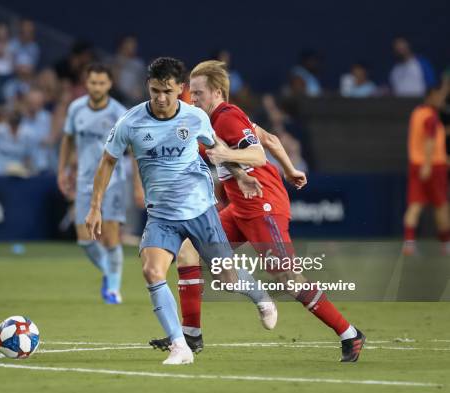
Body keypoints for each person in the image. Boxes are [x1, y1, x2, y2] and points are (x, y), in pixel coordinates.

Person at [149, 60, 366, 362]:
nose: (193, 98)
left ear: (216, 91)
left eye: (198, 93)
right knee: (190, 252)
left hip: (263, 206)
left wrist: (227, 154)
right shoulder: (214, 119)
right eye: (191, 93)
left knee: (289, 278)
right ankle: (191, 336)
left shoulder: (226, 117)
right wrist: (290, 169)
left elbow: (258, 154)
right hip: (241, 206)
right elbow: (270, 139)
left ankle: (349, 334)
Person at [85, 57, 276, 365]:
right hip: (161, 216)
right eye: (155, 90)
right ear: (148, 86)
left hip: (200, 210)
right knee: (152, 270)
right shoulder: (130, 122)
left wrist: (239, 174)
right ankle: (180, 345)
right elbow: (108, 161)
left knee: (227, 278)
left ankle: (260, 296)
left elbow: (217, 151)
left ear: (181, 90)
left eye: (168, 91)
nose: (161, 98)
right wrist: (95, 208)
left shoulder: (196, 118)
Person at [57, 63, 135, 304]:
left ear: (109, 84)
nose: (97, 87)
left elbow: (133, 150)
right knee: (84, 239)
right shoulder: (76, 109)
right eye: (93, 82)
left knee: (111, 238)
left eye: (102, 83)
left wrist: (140, 186)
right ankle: (108, 271)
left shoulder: (119, 113)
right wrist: (62, 171)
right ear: (86, 82)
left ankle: (113, 289)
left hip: (114, 182)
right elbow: (68, 140)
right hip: (83, 181)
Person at [403, 80, 450, 255]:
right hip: (433, 166)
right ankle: (446, 245)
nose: (441, 99)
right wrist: (428, 164)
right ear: (431, 96)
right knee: (441, 206)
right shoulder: (431, 116)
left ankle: (408, 244)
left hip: (416, 164)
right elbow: (430, 142)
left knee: (414, 205)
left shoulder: (417, 113)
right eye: (439, 96)